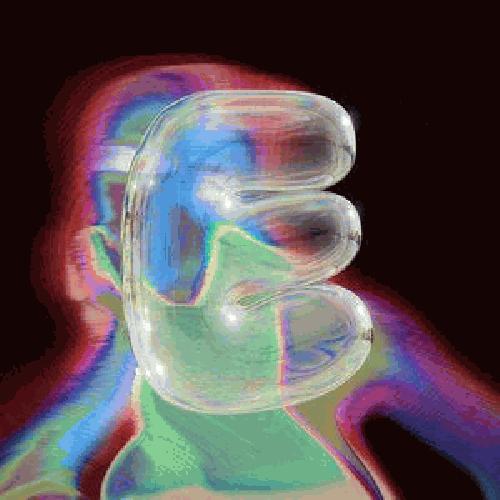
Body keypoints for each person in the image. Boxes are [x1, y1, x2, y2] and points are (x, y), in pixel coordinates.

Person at [1, 55, 498, 499]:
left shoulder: (342, 336)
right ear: (103, 251)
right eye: (134, 195)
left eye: (204, 184)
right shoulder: (116, 440)